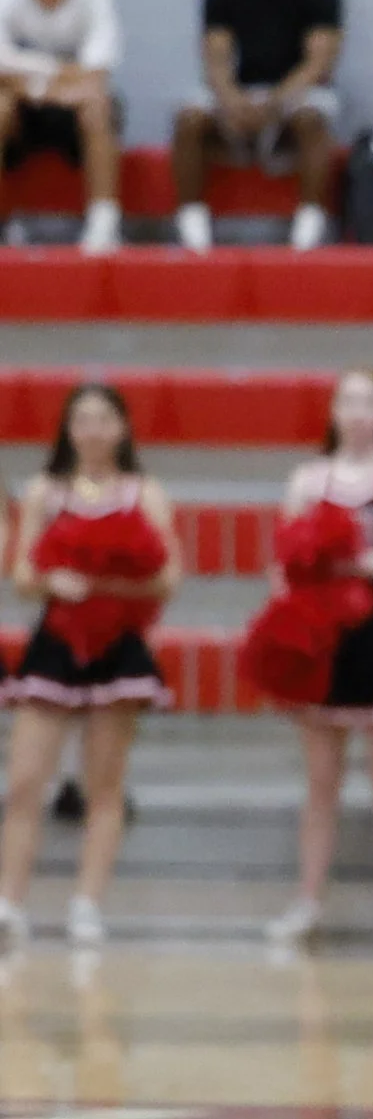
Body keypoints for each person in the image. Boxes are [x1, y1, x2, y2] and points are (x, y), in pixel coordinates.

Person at [0, 386, 180, 948]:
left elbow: (169, 576)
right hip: (55, 642)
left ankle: (87, 904)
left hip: (118, 643)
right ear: (67, 429)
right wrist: (54, 580)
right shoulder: (45, 491)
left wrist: (108, 581)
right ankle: (8, 902)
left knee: (105, 784)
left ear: (123, 429)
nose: (94, 429)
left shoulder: (144, 492)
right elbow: (24, 576)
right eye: (82, 418)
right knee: (26, 781)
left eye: (105, 418)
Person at [264, 371, 373, 949]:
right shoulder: (308, 480)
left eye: (371, 402)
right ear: (332, 412)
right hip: (323, 632)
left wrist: (356, 563)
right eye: (349, 402)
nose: (359, 412)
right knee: (320, 782)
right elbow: (280, 563)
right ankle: (307, 901)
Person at [171, 0, 344, 254]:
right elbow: (215, 58)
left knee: (315, 117)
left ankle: (308, 228)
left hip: (294, 94)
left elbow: (319, 62)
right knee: (188, 118)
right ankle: (193, 226)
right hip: (241, 91)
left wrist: (276, 103)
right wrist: (231, 99)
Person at [0, 0, 123, 254]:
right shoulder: (9, 0)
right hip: (26, 109)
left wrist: (24, 69)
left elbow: (95, 75)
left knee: (98, 105)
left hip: (75, 112)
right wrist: (53, 78)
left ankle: (103, 223)